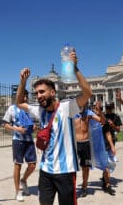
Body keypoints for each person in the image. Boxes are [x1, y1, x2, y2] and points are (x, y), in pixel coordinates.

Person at [15, 50, 92, 205]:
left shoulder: (67, 108)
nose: (38, 96)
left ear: (53, 92)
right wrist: (23, 83)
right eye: (36, 93)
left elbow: (87, 93)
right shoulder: (40, 110)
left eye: (42, 92)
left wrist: (75, 68)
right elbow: (19, 103)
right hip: (45, 171)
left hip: (65, 172)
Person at [2, 89, 37, 202]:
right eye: (24, 96)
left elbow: (33, 122)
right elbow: (5, 124)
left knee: (32, 165)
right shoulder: (12, 108)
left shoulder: (29, 109)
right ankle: (18, 191)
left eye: (27, 96)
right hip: (18, 140)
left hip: (29, 140)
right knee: (18, 165)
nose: (26, 98)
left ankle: (24, 180)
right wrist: (16, 129)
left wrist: (34, 126)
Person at [74, 101, 106, 198]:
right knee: (71, 168)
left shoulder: (89, 113)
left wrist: (99, 110)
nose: (81, 104)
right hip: (75, 144)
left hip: (85, 144)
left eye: (83, 103)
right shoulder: (72, 113)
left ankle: (84, 187)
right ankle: (71, 188)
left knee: (86, 167)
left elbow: (103, 121)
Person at [101, 101, 121, 195]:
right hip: (101, 141)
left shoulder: (116, 117)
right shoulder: (102, 116)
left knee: (109, 162)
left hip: (111, 140)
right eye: (107, 107)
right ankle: (106, 183)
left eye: (110, 108)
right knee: (106, 163)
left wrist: (113, 125)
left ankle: (106, 179)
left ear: (112, 108)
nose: (108, 109)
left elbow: (118, 130)